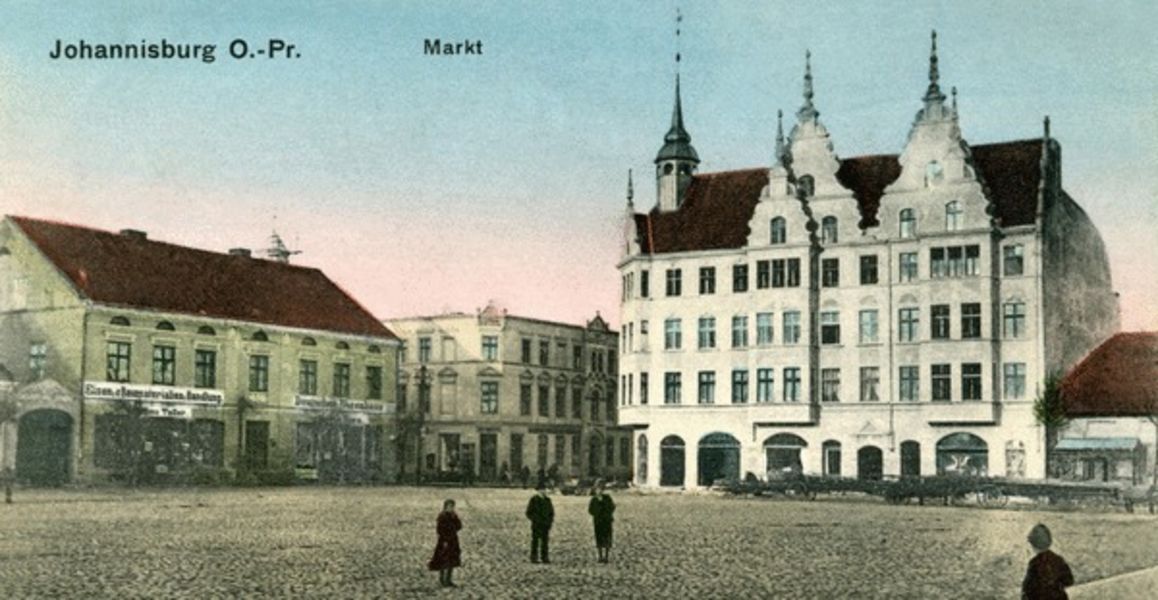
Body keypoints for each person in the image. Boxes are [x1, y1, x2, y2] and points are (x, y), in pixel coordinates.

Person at [1021, 523, 1074, 600]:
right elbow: (1069, 581)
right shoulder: (1058, 559)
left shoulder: (1034, 563)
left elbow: (1027, 589)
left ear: (1033, 545)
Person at [428, 499, 462, 588]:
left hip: (453, 541)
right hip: (444, 541)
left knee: (452, 561)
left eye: (452, 506)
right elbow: (440, 530)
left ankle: (448, 580)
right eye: (449, 506)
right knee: (443, 560)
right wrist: (445, 540)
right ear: (445, 507)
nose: (451, 508)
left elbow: (459, 526)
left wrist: (455, 518)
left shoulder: (453, 516)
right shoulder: (442, 516)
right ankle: (442, 580)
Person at [587, 479, 616, 563]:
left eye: (601, 489)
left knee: (607, 538)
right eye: (597, 489)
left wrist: (607, 513)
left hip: (607, 521)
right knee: (599, 538)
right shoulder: (594, 500)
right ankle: (600, 556)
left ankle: (606, 556)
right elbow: (590, 510)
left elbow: (612, 507)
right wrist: (596, 513)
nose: (599, 491)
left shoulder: (607, 498)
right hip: (598, 522)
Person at [525, 482, 555, 563]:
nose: (544, 491)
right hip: (536, 525)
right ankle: (534, 557)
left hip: (545, 524)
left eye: (545, 489)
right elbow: (528, 512)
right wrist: (535, 519)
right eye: (542, 490)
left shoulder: (547, 500)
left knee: (545, 542)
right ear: (538, 491)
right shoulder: (534, 500)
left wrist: (550, 521)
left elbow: (551, 512)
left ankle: (544, 557)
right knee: (535, 541)